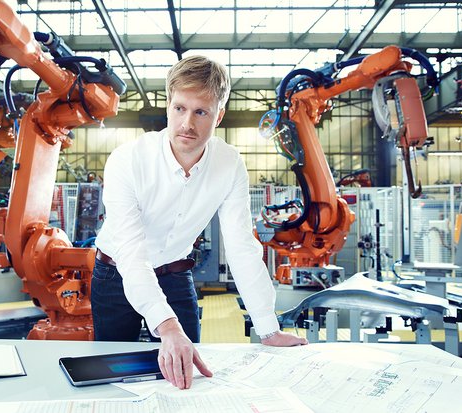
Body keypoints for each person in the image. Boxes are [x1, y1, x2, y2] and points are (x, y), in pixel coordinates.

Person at [91, 55, 307, 390]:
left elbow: (241, 246)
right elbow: (132, 254)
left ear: (218, 115)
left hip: (175, 272)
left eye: (200, 112)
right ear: (168, 105)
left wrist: (268, 328)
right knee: (111, 378)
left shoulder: (229, 164)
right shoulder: (127, 160)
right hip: (116, 273)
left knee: (188, 377)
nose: (186, 124)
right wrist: (167, 327)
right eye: (179, 108)